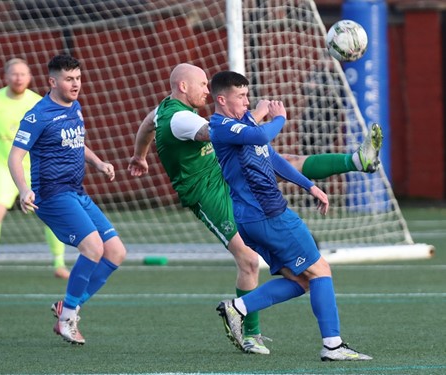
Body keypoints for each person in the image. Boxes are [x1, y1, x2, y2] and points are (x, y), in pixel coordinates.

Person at [128, 63, 382, 355]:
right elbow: (219, 133)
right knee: (252, 261)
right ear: (183, 87)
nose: (207, 90)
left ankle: (356, 161)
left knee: (301, 276)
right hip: (210, 192)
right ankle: (254, 334)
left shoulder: (165, 110)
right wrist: (263, 116)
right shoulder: (183, 119)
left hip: (228, 180)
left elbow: (149, 123)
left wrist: (139, 155)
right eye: (202, 84)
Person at [209, 70, 372, 361]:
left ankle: (239, 308)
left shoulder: (242, 123)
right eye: (241, 96)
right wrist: (278, 118)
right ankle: (333, 346)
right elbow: (260, 134)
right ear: (222, 100)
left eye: (248, 95)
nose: (247, 102)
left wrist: (309, 186)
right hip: (268, 215)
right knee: (321, 270)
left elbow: (272, 158)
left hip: (256, 218)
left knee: (302, 281)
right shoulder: (221, 126)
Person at [8, 54, 127, 345]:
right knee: (93, 248)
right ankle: (67, 319)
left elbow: (76, 141)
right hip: (52, 195)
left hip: (77, 191)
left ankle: (69, 306)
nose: (76, 84)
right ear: (52, 81)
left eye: (78, 78)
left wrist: (98, 163)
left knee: (116, 253)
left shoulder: (75, 106)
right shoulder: (38, 115)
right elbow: (15, 156)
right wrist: (24, 190)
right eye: (69, 79)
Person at [0, 58, 69, 282]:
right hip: (2, 169)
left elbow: (51, 133)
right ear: (5, 77)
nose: (18, 78)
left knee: (51, 215)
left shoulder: (39, 102)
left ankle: (60, 264)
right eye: (14, 74)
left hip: (35, 169)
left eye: (22, 74)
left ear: (30, 77)